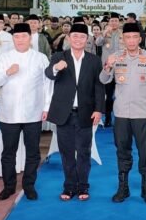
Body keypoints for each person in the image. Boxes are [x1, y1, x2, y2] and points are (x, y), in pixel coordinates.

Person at [100, 22, 146, 203]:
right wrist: (107, 66)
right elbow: (103, 80)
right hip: (121, 114)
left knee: (145, 152)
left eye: (135, 37)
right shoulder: (115, 57)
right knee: (122, 151)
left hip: (143, 113)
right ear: (123, 39)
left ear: (140, 39)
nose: (131, 40)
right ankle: (123, 188)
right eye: (128, 37)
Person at [44, 22, 104, 201]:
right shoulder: (58, 56)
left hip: (85, 112)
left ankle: (83, 186)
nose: (78, 39)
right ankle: (69, 186)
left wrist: (99, 109)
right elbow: (48, 74)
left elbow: (99, 86)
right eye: (75, 36)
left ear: (87, 39)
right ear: (69, 38)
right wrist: (56, 67)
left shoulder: (94, 60)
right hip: (64, 113)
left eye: (82, 37)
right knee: (67, 152)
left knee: (84, 152)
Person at [0, 22, 49, 201]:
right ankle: (8, 186)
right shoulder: (5, 58)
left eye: (24, 36)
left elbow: (48, 85)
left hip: (33, 112)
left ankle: (29, 186)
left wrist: (46, 107)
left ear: (30, 38)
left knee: (33, 152)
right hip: (9, 113)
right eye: (16, 36)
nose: (20, 39)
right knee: (8, 152)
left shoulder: (40, 58)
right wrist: (7, 72)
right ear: (12, 39)